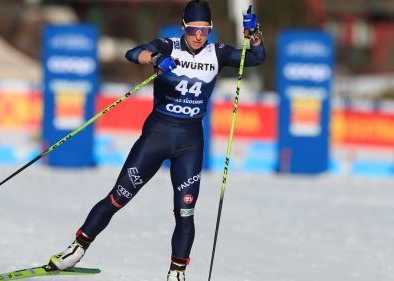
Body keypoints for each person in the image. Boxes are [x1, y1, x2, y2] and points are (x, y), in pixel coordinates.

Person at [48, 1, 265, 280]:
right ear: (184, 27)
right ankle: (76, 249)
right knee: (118, 197)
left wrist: (254, 35)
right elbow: (132, 52)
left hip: (190, 143)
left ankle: (177, 272)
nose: (199, 36)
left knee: (185, 212)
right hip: (156, 136)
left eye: (205, 30)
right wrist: (154, 59)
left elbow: (256, 57)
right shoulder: (169, 46)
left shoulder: (217, 52)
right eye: (194, 29)